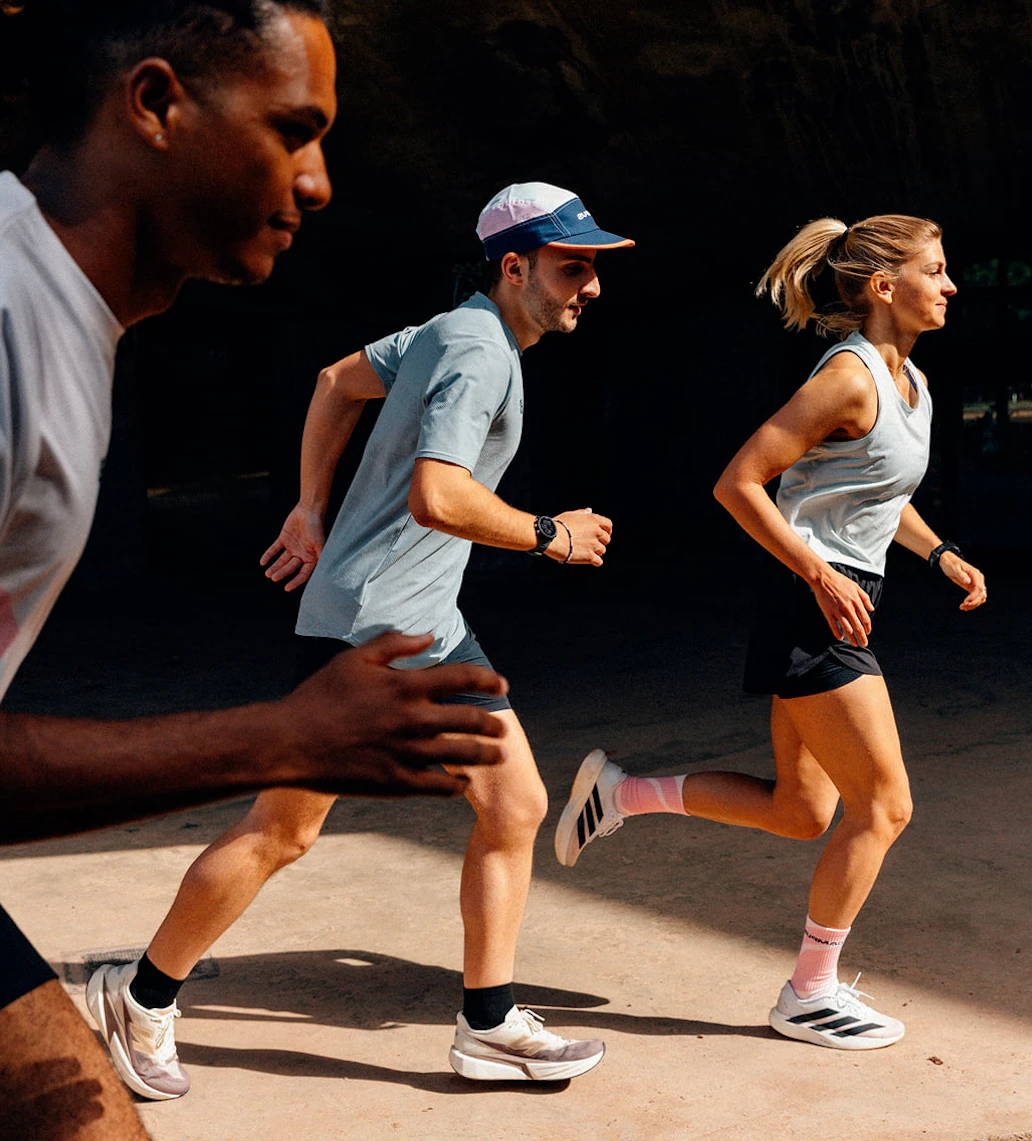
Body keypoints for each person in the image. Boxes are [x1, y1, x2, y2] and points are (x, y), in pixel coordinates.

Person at [0, 3, 507, 1137]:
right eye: (290, 131)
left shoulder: (63, 317)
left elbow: (335, 382)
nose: (315, 183)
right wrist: (283, 734)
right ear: (155, 103)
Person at [92, 180, 634, 1095]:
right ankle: (139, 998)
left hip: (422, 620)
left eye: (594, 267)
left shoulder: (450, 327)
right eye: (572, 266)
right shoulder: (478, 351)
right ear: (514, 266)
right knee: (281, 832)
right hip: (373, 633)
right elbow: (440, 494)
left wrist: (311, 510)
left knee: (516, 804)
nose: (591, 286)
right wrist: (550, 533)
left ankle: (489, 1023)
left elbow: (336, 381)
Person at [555, 214, 988, 1051]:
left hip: (838, 598)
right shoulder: (848, 378)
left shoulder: (912, 385)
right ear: (884, 287)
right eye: (935, 270)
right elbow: (739, 482)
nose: (950, 284)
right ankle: (809, 991)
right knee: (885, 805)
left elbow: (878, 494)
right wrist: (819, 574)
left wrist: (941, 556)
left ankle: (620, 792)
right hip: (813, 606)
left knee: (799, 810)